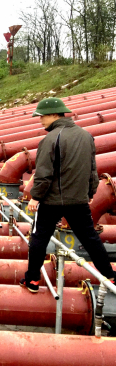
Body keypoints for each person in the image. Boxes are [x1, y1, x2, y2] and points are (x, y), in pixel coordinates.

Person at [20, 97, 115, 292]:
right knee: (90, 238)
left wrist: (36, 197)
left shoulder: (50, 139)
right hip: (77, 200)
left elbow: (44, 174)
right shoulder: (86, 136)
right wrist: (90, 192)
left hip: (52, 201)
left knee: (39, 238)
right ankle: (110, 275)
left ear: (55, 114)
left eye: (43, 116)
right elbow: (92, 169)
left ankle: (32, 280)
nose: (40, 120)